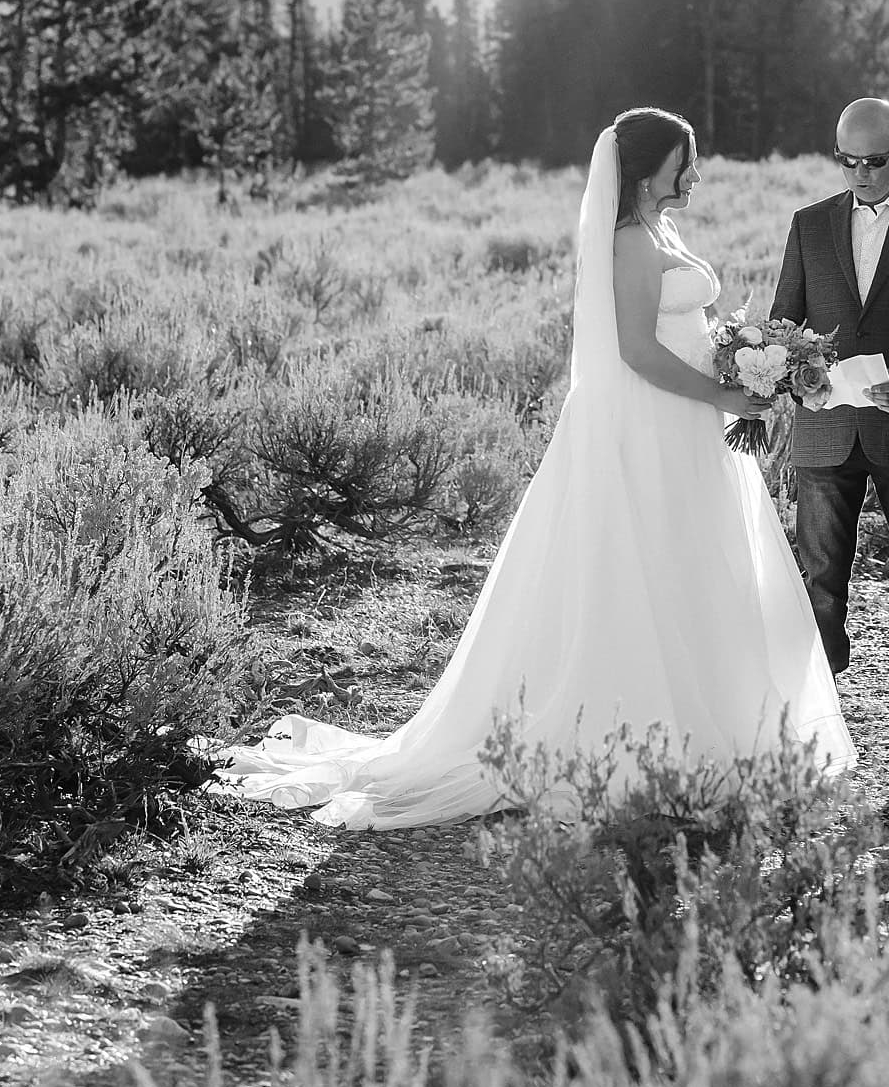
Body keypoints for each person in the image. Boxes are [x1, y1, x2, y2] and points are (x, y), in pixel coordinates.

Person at [217, 109, 855, 826]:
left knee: (691, 567)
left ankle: (713, 725)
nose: (695, 178)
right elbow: (639, 354)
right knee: (641, 567)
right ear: (647, 170)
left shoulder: (659, 230)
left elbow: (688, 331)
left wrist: (746, 360)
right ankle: (642, 736)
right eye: (684, 164)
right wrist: (727, 390)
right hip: (652, 426)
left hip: (687, 427)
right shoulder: (627, 242)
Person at [771, 95, 889, 745]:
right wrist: (801, 369)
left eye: (872, 162)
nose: (858, 173)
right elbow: (784, 322)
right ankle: (814, 725)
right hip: (825, 432)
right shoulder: (808, 223)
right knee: (819, 583)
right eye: (846, 161)